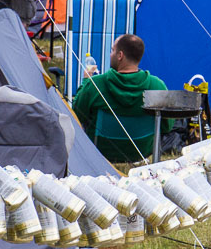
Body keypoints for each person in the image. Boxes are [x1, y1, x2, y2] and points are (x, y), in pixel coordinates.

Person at [71, 34, 168, 162]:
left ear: (120, 55)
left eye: (112, 50)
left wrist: (85, 82)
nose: (110, 54)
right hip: (142, 151)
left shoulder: (94, 85)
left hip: (100, 150)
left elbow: (76, 115)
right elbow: (166, 126)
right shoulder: (158, 86)